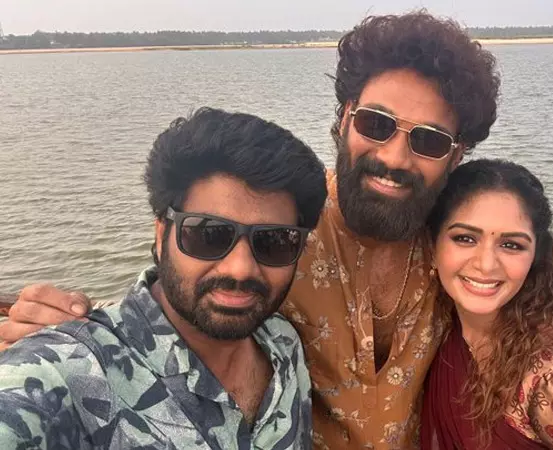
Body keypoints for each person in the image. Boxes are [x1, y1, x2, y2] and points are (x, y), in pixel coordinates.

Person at [0, 11, 553, 450]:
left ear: (457, 156)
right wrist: (68, 325)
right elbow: (185, 288)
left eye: (427, 140)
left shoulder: (454, 243)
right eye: (376, 124)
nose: (394, 157)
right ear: (342, 119)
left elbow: (521, 306)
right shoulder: (280, 230)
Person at [0, 108, 326, 449]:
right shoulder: (64, 373)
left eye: (274, 241)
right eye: (209, 234)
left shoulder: (284, 346)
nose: (240, 268)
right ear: (161, 234)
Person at [422, 159, 553, 449]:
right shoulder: (438, 325)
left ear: (535, 257)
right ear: (432, 248)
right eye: (465, 238)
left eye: (511, 245)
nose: (486, 264)